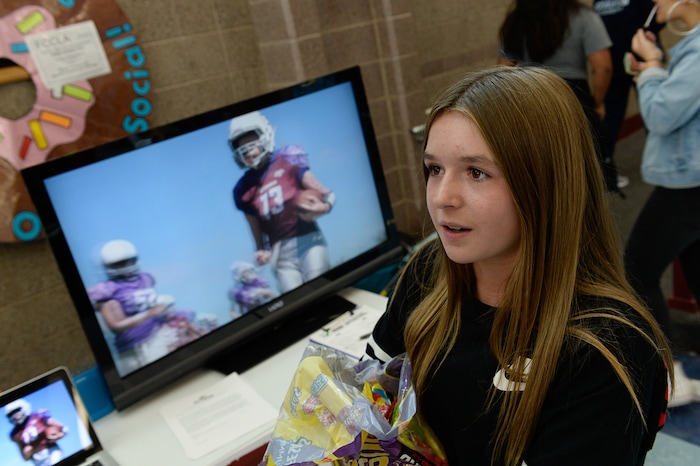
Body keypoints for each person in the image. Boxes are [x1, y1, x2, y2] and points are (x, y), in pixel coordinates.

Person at [363, 66, 672, 466]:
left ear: (545, 184)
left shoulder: (607, 348)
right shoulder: (428, 270)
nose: (442, 197)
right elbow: (368, 399)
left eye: (477, 172)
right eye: (435, 169)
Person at [623, 0, 700, 407]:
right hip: (693, 180)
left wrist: (652, 67)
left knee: (637, 271)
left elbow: (660, 116)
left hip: (688, 185)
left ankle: (671, 379)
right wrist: (656, 71)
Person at [497, 0, 620, 195]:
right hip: (572, 98)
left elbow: (503, 69)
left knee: (538, 166)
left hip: (528, 96)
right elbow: (603, 67)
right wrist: (596, 103)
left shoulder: (516, 19)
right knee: (578, 167)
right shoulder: (583, 16)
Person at [228, 111, 335, 293]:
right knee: (295, 302)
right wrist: (261, 249)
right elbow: (255, 226)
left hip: (308, 239)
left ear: (265, 134)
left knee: (321, 290)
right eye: (241, 146)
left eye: (250, 142)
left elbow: (327, 194)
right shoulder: (243, 189)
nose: (247, 150)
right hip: (280, 253)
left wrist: (324, 206)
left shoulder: (287, 159)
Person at [88, 239, 211, 374]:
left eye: (128, 261)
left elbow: (155, 309)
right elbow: (115, 325)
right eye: (119, 263)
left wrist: (162, 310)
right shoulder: (107, 289)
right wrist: (149, 313)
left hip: (154, 337)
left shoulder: (146, 279)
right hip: (130, 347)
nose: (126, 266)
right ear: (110, 266)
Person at [593, 0, 665, 189]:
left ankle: (609, 169)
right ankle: (607, 167)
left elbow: (657, 17)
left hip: (631, 63)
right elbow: (659, 18)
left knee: (644, 113)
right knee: (619, 117)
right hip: (630, 64)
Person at [6, 398, 66, 465]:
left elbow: (63, 428)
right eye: (11, 414)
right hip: (37, 460)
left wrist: (58, 436)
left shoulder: (38, 415)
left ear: (24, 407)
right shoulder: (15, 433)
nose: (14, 416)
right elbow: (25, 458)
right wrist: (27, 452)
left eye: (16, 412)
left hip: (51, 452)